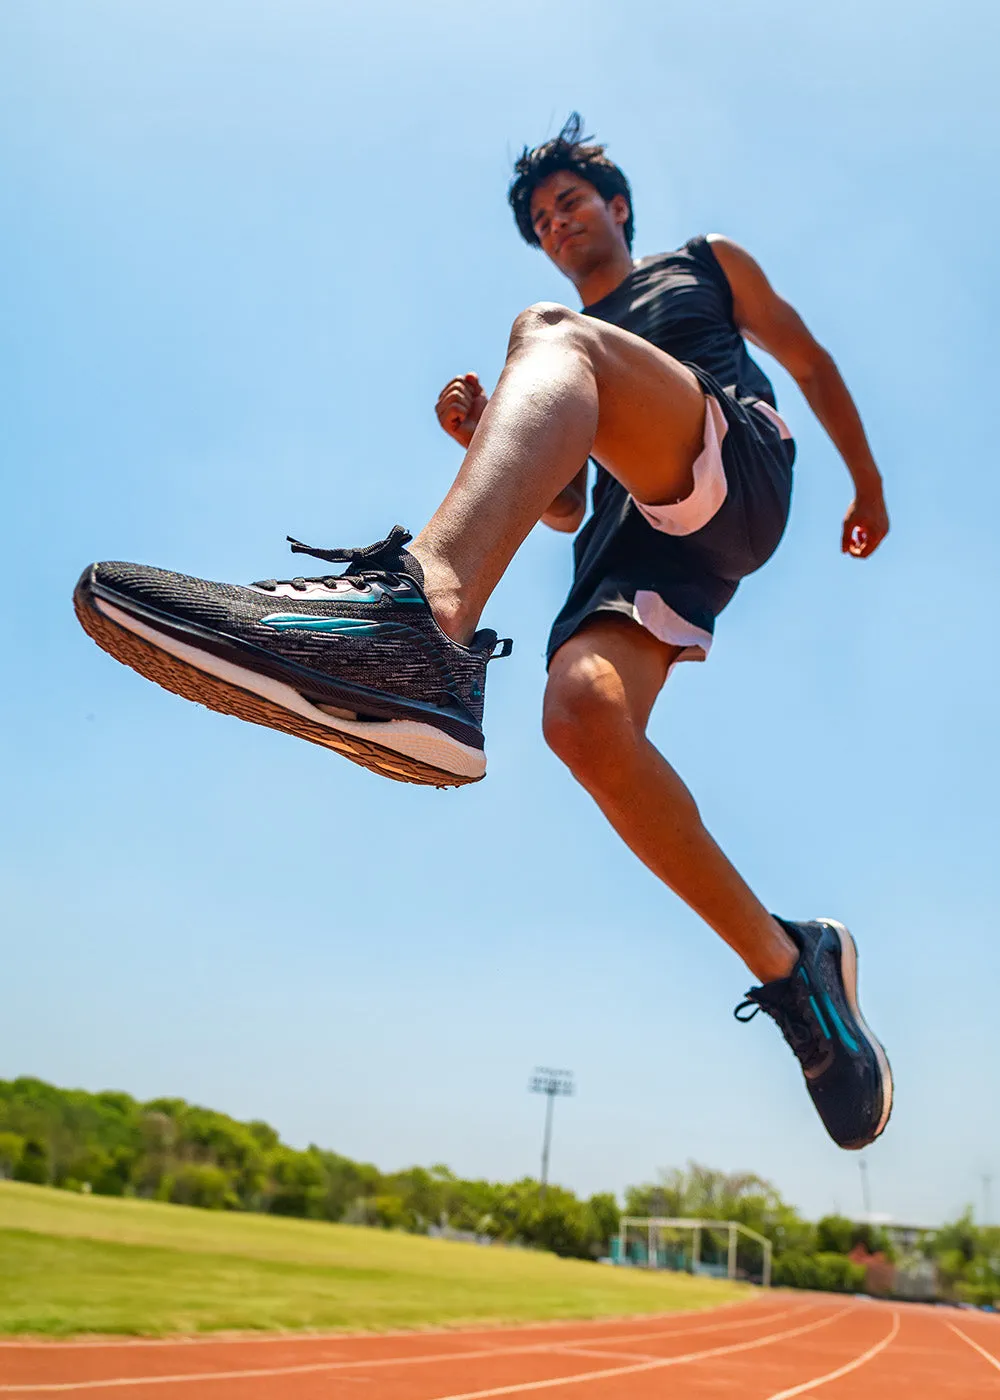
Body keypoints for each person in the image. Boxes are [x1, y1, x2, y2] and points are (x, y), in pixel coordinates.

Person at [74, 115, 892, 1150]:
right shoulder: (570, 367)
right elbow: (558, 506)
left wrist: (865, 479)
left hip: (733, 462)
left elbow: (808, 357)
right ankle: (793, 970)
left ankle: (420, 622)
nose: (560, 223)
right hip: (636, 544)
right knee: (583, 720)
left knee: (548, 332)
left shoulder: (699, 266)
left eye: (571, 204)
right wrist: (484, 436)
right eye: (544, 219)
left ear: (617, 207)